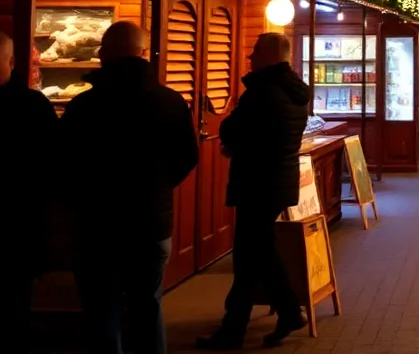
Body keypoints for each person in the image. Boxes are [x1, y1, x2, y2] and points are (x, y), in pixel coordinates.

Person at [62, 21, 198, 354]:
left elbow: (64, 164)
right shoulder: (170, 101)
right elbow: (187, 157)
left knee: (101, 308)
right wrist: (159, 186)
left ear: (103, 54)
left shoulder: (83, 107)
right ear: (143, 53)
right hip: (152, 221)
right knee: (148, 305)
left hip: (97, 223)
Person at [197, 32, 309, 350]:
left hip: (258, 182)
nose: (250, 57)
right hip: (277, 181)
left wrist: (232, 138)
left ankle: (279, 314)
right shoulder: (294, 91)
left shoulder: (263, 92)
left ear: (270, 56)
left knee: (252, 254)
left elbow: (232, 129)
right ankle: (249, 322)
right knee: (255, 253)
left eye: (256, 51)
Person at [0, 31, 60, 351]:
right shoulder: (32, 104)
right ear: (11, 61)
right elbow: (54, 160)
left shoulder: (32, 104)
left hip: (21, 217)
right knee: (17, 296)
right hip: (22, 216)